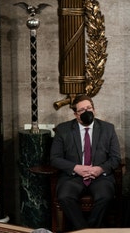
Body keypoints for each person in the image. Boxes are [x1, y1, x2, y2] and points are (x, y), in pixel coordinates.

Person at [50, 94, 121, 230]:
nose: (87, 112)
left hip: (99, 177)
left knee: (105, 196)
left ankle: (87, 230)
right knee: (65, 196)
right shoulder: (63, 129)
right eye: (82, 110)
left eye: (89, 108)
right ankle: (85, 230)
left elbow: (115, 158)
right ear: (76, 114)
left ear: (94, 110)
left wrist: (100, 169)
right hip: (73, 176)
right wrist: (75, 167)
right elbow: (55, 158)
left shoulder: (108, 129)